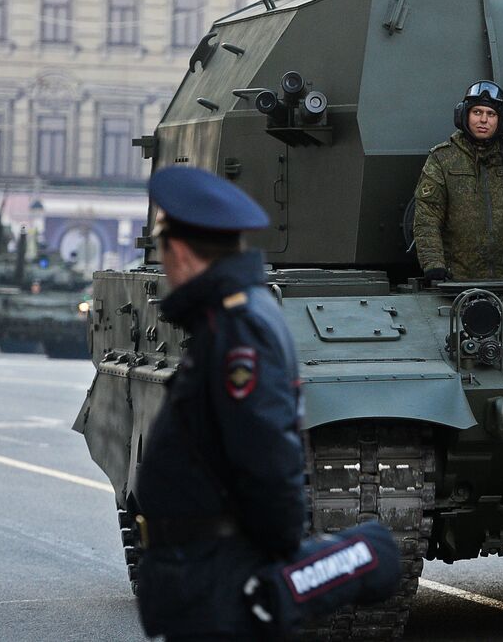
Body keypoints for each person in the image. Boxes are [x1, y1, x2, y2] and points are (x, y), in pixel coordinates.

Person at [133, 166, 398, 640]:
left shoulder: (239, 328)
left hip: (224, 575)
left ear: (178, 251)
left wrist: (274, 563)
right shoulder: (236, 315)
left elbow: (267, 455)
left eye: (161, 249)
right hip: (209, 571)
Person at [413, 80, 503, 283]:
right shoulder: (442, 159)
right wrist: (434, 266)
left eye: (491, 114)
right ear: (464, 115)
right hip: (456, 282)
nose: (483, 120)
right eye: (477, 112)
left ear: (502, 120)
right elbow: (427, 218)